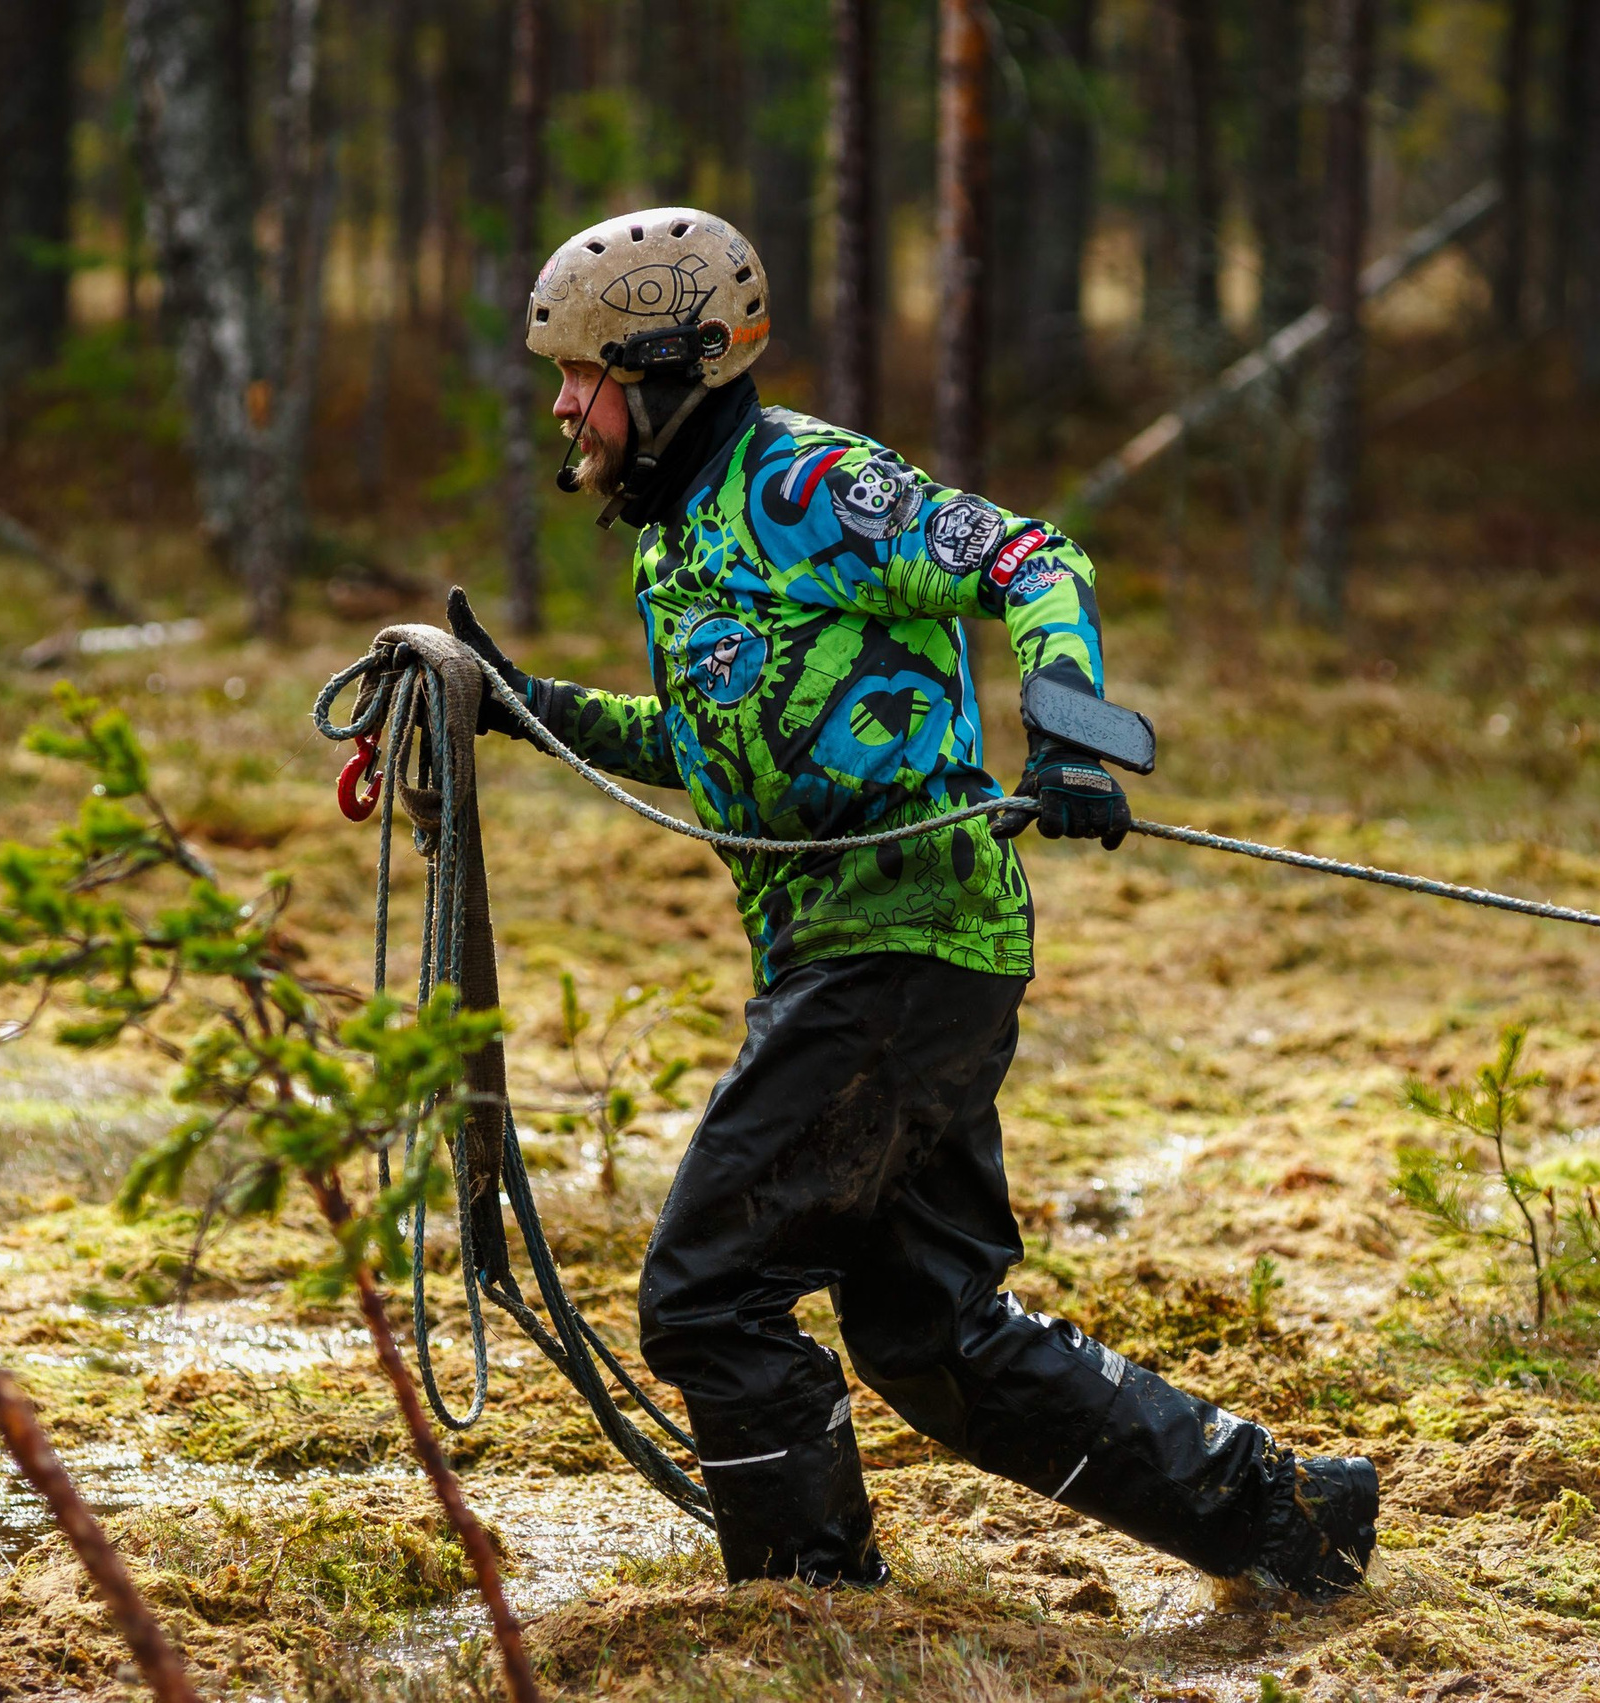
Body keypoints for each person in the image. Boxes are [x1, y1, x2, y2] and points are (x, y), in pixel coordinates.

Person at [449, 206, 1377, 1597]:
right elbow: (711, 746)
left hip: (901, 947)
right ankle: (1295, 1522)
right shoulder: (674, 540)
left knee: (706, 1296)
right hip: (858, 962)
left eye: (583, 376)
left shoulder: (810, 486)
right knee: (928, 1334)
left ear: (665, 371)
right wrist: (515, 703)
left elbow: (1034, 561)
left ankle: (810, 1608)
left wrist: (1067, 732)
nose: (564, 408)